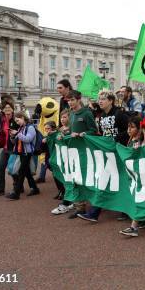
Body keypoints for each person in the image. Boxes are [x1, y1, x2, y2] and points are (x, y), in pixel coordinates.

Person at [78, 91, 130, 222]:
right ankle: (94, 213)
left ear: (111, 101)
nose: (100, 101)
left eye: (103, 99)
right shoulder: (101, 117)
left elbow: (130, 131)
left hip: (120, 152)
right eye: (99, 99)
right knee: (103, 180)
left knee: (123, 181)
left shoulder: (120, 114)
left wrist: (115, 139)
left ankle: (126, 210)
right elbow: (102, 134)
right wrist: (89, 136)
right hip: (108, 153)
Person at [120, 116, 145, 237]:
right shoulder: (138, 144)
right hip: (142, 179)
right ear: (144, 130)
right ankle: (134, 227)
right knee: (139, 198)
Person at [65, 90, 98, 219]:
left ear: (78, 99)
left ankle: (94, 203)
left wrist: (84, 134)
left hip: (86, 151)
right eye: (68, 100)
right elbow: (72, 130)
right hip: (75, 151)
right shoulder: (72, 114)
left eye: (72, 100)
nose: (70, 102)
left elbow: (93, 131)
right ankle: (80, 207)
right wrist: (67, 133)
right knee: (76, 178)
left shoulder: (87, 113)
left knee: (87, 178)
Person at [5, 111, 40, 200]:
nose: (17, 122)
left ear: (23, 117)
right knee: (27, 172)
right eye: (16, 121)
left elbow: (28, 139)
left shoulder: (30, 127)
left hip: (27, 153)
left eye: (18, 120)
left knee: (21, 173)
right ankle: (35, 188)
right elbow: (15, 141)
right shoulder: (21, 128)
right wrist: (12, 136)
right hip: (21, 152)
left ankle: (16, 193)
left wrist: (17, 134)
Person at [51, 109, 75, 215]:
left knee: (70, 181)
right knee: (67, 181)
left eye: (65, 117)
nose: (62, 119)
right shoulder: (60, 129)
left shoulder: (72, 129)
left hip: (71, 159)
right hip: (63, 159)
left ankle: (66, 203)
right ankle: (71, 201)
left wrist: (65, 138)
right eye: (61, 117)